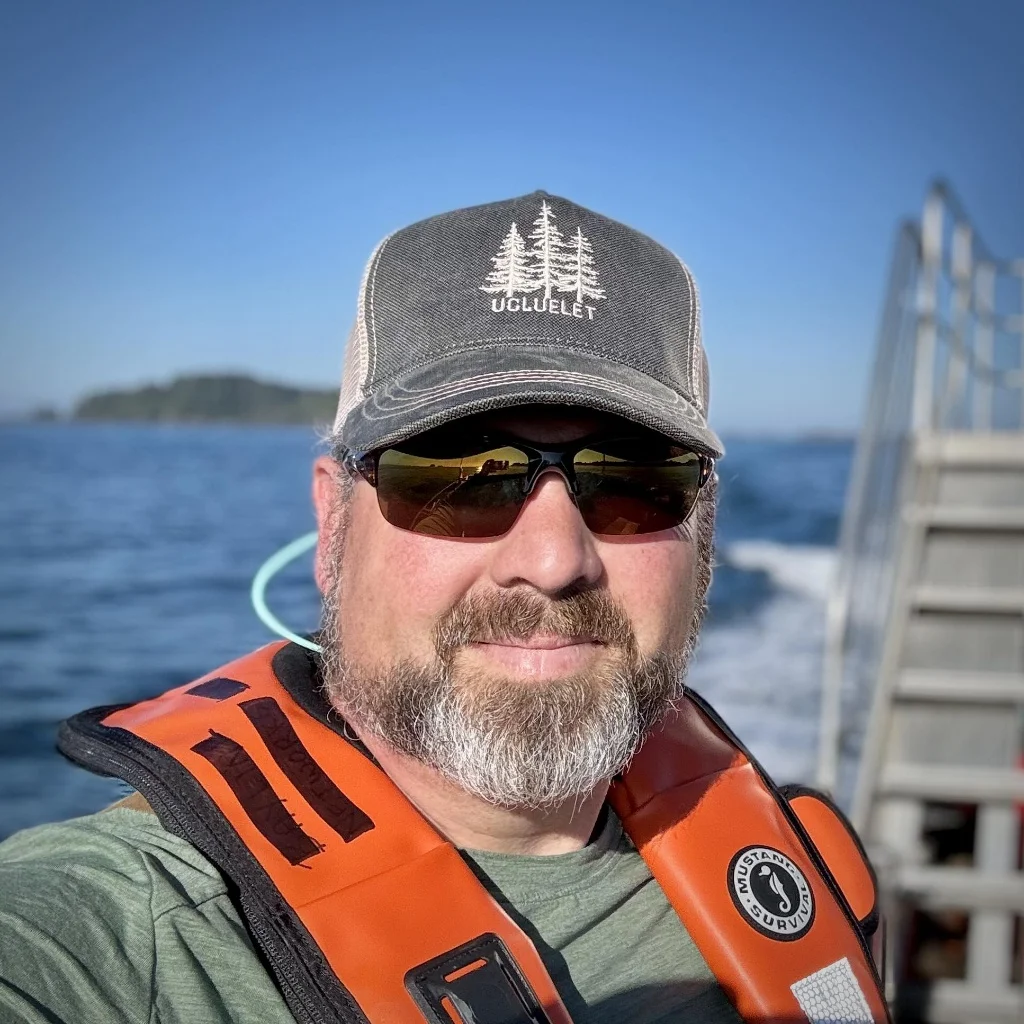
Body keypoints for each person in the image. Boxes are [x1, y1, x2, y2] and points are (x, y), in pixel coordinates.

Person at [0, 192, 887, 1024]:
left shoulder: (806, 868)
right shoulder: (133, 938)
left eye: (635, 483)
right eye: (458, 479)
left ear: (705, 532)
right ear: (330, 520)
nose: (552, 562)